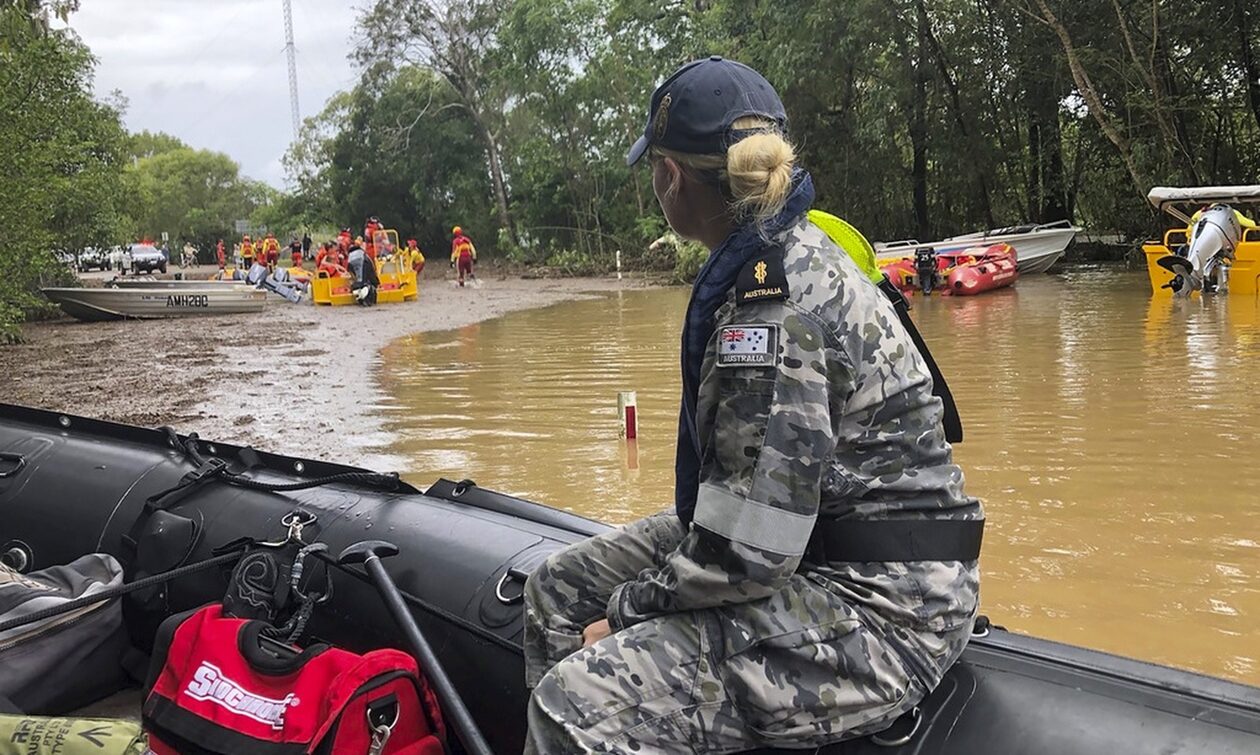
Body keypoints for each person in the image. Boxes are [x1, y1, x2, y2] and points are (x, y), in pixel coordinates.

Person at [522, 57, 983, 754]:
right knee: (555, 588)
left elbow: (747, 554)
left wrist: (622, 617)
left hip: (887, 604)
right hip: (812, 543)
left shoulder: (771, 311)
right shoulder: (779, 254)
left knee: (573, 704)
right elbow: (749, 521)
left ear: (671, 177)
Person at [346, 240, 378, 306]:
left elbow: (351, 273)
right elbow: (372, 271)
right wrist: (376, 282)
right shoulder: (364, 256)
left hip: (358, 281)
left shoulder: (351, 257)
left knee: (360, 280)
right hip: (364, 269)